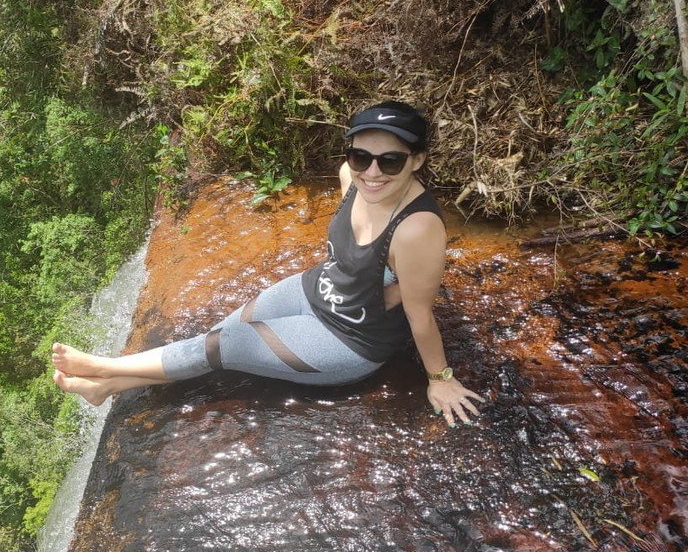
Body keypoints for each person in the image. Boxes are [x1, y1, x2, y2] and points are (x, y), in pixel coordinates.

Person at [52, 100, 484, 428]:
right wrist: (384, 282)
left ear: (417, 160)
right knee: (218, 333)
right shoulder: (350, 179)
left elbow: (421, 314)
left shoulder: (418, 228)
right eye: (361, 157)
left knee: (221, 347)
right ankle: (110, 386)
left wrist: (440, 378)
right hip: (315, 290)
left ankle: (106, 368)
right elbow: (354, 250)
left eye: (390, 160)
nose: (373, 172)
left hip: (348, 338)